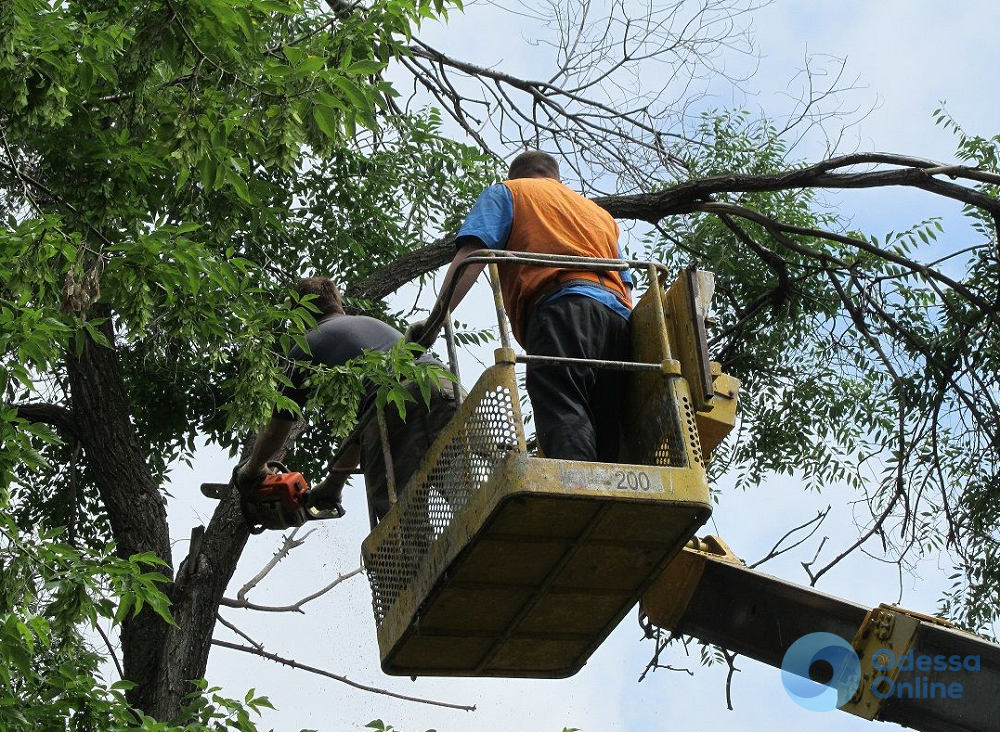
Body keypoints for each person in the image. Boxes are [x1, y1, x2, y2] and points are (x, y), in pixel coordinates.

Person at [433, 150, 633, 462]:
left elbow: (471, 256)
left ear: (517, 175)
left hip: (563, 308)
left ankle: (576, 493)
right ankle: (609, 497)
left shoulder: (510, 191)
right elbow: (628, 281)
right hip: (618, 318)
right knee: (604, 416)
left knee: (559, 398)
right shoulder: (598, 214)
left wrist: (435, 321)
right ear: (556, 178)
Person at [236, 276, 460, 525]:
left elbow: (274, 433)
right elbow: (360, 432)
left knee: (403, 523)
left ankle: (422, 563)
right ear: (338, 305)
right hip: (444, 385)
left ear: (301, 314)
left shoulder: (302, 350)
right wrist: (333, 484)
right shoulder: (373, 326)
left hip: (393, 405)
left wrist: (253, 468)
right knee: (467, 485)